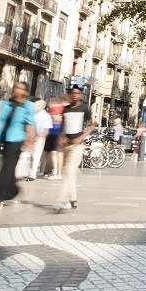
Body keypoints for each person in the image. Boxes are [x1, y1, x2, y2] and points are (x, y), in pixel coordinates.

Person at [0, 81, 35, 211]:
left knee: (6, 169)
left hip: (17, 140)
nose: (17, 90)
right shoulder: (6, 104)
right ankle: (12, 190)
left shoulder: (27, 106)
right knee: (8, 169)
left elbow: (30, 123)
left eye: (20, 88)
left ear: (26, 92)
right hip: (6, 139)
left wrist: (30, 139)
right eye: (15, 87)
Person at [52, 84, 94, 212]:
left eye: (77, 93)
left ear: (81, 95)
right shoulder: (66, 109)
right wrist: (61, 136)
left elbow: (92, 125)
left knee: (69, 171)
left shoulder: (85, 108)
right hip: (67, 145)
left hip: (77, 145)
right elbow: (63, 125)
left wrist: (82, 137)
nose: (74, 94)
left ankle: (61, 200)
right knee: (69, 172)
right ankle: (73, 200)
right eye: (73, 92)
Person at [25, 98, 53, 181]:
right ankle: (27, 172)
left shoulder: (47, 116)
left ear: (42, 106)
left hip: (39, 138)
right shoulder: (32, 114)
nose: (35, 106)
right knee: (28, 156)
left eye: (37, 105)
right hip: (30, 137)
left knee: (35, 156)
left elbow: (46, 130)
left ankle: (32, 174)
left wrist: (38, 137)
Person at [43, 94, 65, 179]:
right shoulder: (53, 109)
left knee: (53, 153)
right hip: (51, 132)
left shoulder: (57, 108)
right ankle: (49, 170)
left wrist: (52, 117)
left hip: (56, 132)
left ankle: (55, 171)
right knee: (47, 153)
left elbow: (58, 119)